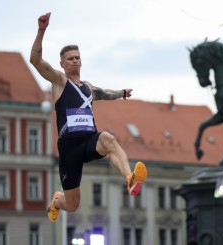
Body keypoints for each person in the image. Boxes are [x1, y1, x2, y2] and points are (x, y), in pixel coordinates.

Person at [30, 12, 148, 222]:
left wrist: (121, 93)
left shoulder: (88, 88)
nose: (75, 61)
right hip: (69, 147)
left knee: (109, 140)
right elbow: (36, 60)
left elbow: (105, 93)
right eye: (70, 59)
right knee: (73, 205)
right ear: (63, 63)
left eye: (77, 58)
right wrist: (41, 30)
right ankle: (57, 200)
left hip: (88, 140)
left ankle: (130, 179)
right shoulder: (59, 82)